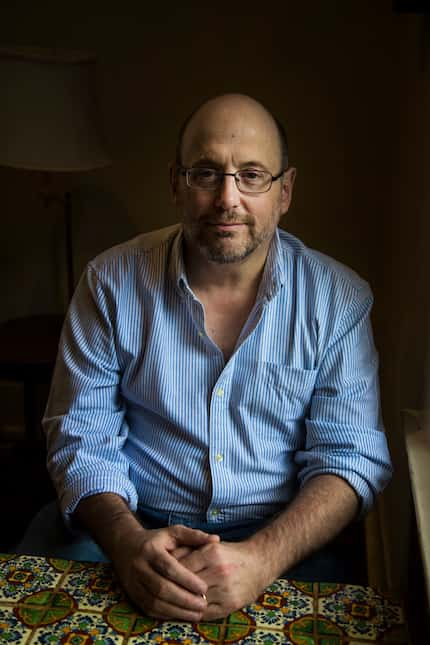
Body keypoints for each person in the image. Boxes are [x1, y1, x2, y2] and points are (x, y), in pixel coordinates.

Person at [22, 93, 392, 622]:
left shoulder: (339, 300)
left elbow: (349, 456)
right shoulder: (109, 282)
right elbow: (81, 432)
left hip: (280, 536)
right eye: (206, 173)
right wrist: (128, 544)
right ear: (175, 182)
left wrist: (260, 560)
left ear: (285, 190)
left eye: (252, 175)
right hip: (130, 524)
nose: (227, 198)